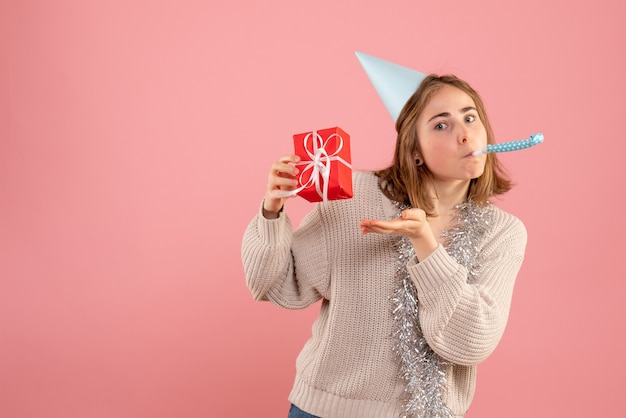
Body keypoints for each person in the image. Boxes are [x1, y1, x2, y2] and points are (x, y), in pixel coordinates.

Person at [241, 73, 527, 418]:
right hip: (324, 411)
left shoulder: (502, 232)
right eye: (441, 125)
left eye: (470, 117)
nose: (465, 134)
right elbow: (275, 284)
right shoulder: (356, 197)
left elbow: (469, 343)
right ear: (414, 149)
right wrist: (273, 210)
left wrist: (425, 244)